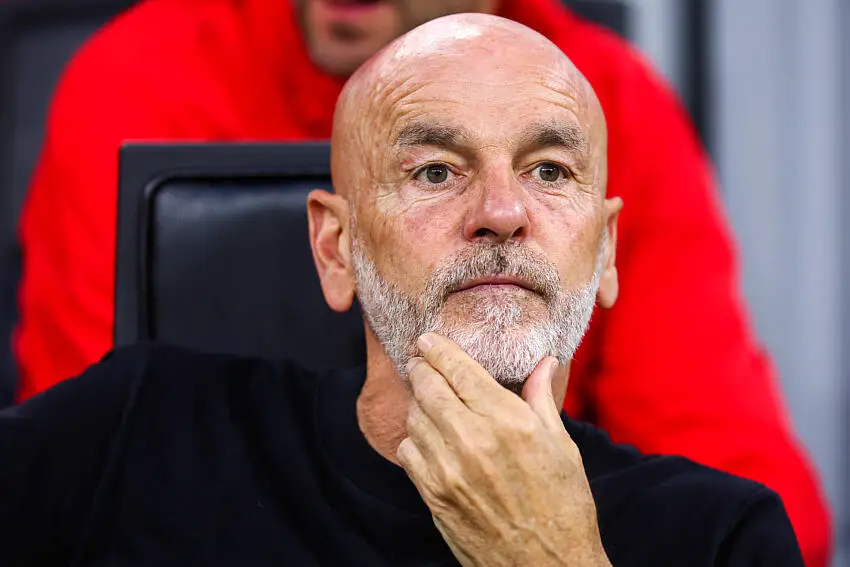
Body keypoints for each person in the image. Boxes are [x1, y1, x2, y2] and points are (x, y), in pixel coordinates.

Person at [14, 0, 830, 563]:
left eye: (549, 170)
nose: (502, 211)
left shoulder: (715, 529)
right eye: (435, 171)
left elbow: (718, 433)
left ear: (607, 244)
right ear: (333, 246)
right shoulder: (136, 428)